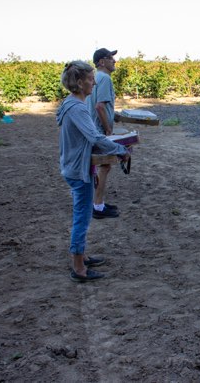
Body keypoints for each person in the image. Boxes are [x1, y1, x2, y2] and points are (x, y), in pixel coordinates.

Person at [57, 61, 129, 282]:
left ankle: (82, 256)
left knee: (83, 214)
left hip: (74, 166)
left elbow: (85, 138)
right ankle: (79, 268)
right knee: (82, 218)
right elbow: (95, 137)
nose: (94, 82)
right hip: (78, 171)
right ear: (79, 83)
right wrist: (120, 149)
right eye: (90, 78)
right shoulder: (77, 107)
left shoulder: (69, 103)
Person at [86, 47, 119, 219]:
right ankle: (98, 206)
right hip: (99, 130)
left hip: (91, 129)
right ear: (101, 62)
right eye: (110, 58)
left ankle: (97, 203)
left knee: (96, 166)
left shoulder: (94, 78)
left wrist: (115, 115)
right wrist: (108, 128)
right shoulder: (105, 78)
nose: (114, 61)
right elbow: (100, 106)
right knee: (105, 165)